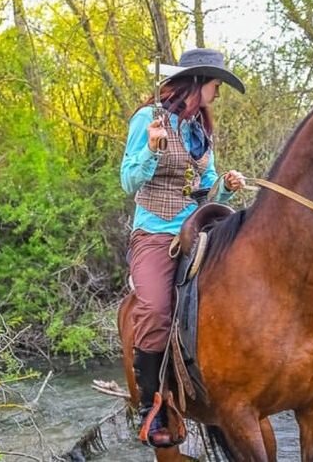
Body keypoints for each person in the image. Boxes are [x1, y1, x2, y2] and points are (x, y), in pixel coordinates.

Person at [120, 48, 247, 448]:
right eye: (215, 85)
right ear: (197, 82)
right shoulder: (147, 120)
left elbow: (204, 188)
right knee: (156, 309)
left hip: (199, 226)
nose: (217, 93)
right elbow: (128, 180)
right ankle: (151, 407)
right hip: (155, 233)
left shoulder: (198, 131)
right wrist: (152, 150)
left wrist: (225, 185)